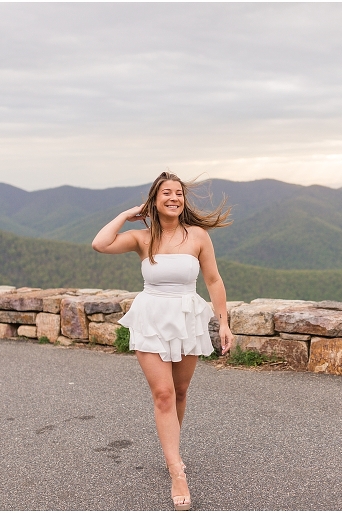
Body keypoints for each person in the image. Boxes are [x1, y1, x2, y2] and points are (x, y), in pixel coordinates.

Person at [91, 171, 234, 510]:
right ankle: (177, 470)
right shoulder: (142, 238)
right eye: (166, 193)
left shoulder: (198, 236)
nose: (174, 198)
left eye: (179, 194)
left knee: (180, 392)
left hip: (187, 318)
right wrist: (128, 215)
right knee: (163, 393)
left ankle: (172, 450)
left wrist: (224, 323)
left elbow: (213, 280)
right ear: (154, 201)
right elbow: (100, 244)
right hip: (151, 318)